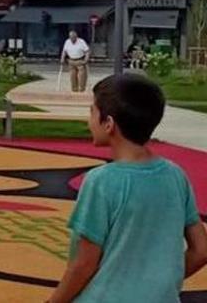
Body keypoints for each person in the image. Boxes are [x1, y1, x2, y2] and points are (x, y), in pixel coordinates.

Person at [48, 74, 207, 303]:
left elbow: (83, 264)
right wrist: (158, 284)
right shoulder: (175, 175)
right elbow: (201, 250)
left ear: (109, 124)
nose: (88, 121)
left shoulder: (100, 182)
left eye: (92, 112)